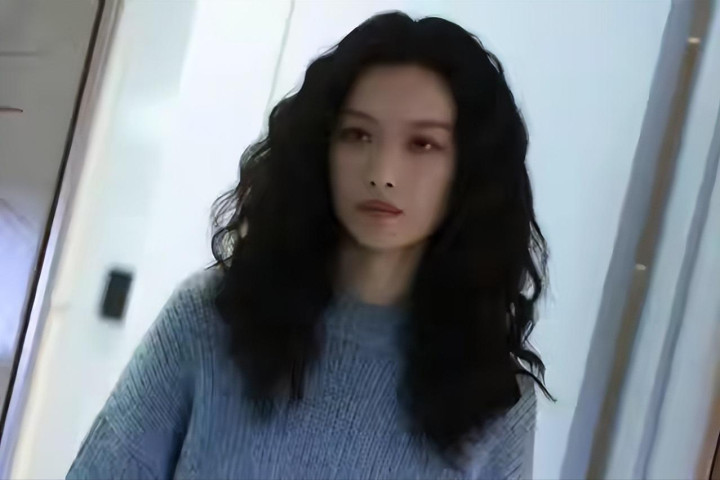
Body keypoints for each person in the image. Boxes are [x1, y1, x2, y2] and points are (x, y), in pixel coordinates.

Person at [67, 11, 550, 480]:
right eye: (357, 135)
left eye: (422, 144)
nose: (382, 173)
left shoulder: (496, 402)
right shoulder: (213, 318)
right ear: (323, 146)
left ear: (469, 170)